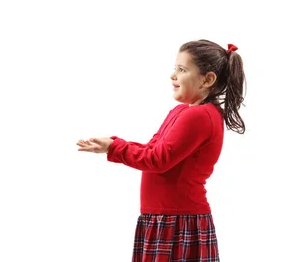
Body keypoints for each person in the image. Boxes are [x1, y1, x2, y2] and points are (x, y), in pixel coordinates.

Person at [77, 39, 246, 262]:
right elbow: (151, 149)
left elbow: (158, 160)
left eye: (182, 70)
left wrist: (114, 147)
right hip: (165, 217)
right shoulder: (182, 112)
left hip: (176, 221)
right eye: (175, 68)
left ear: (207, 79)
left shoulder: (200, 117)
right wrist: (113, 143)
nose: (173, 75)